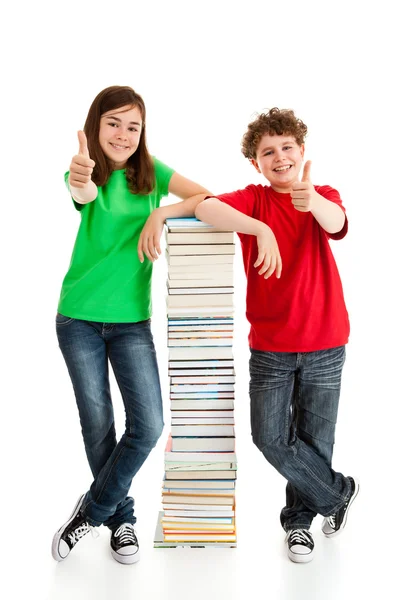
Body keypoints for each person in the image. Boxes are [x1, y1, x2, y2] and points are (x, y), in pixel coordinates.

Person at [52, 85, 211, 565]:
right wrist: (81, 175)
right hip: (78, 317)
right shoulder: (83, 171)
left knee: (149, 425)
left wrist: (161, 210)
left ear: (142, 133)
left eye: (132, 126)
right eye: (113, 123)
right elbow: (82, 191)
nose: (122, 134)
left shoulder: (152, 172)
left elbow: (204, 196)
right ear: (96, 126)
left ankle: (90, 512)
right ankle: (122, 521)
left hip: (130, 324)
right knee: (98, 423)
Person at [195, 108, 359, 564]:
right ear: (257, 164)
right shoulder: (253, 199)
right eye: (269, 152)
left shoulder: (320, 195)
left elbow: (336, 223)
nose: (280, 157)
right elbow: (204, 206)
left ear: (302, 151)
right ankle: (338, 493)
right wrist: (258, 227)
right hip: (271, 347)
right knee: (269, 438)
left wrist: (313, 202)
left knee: (314, 439)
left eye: (288, 147)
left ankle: (299, 524)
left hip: (326, 341)